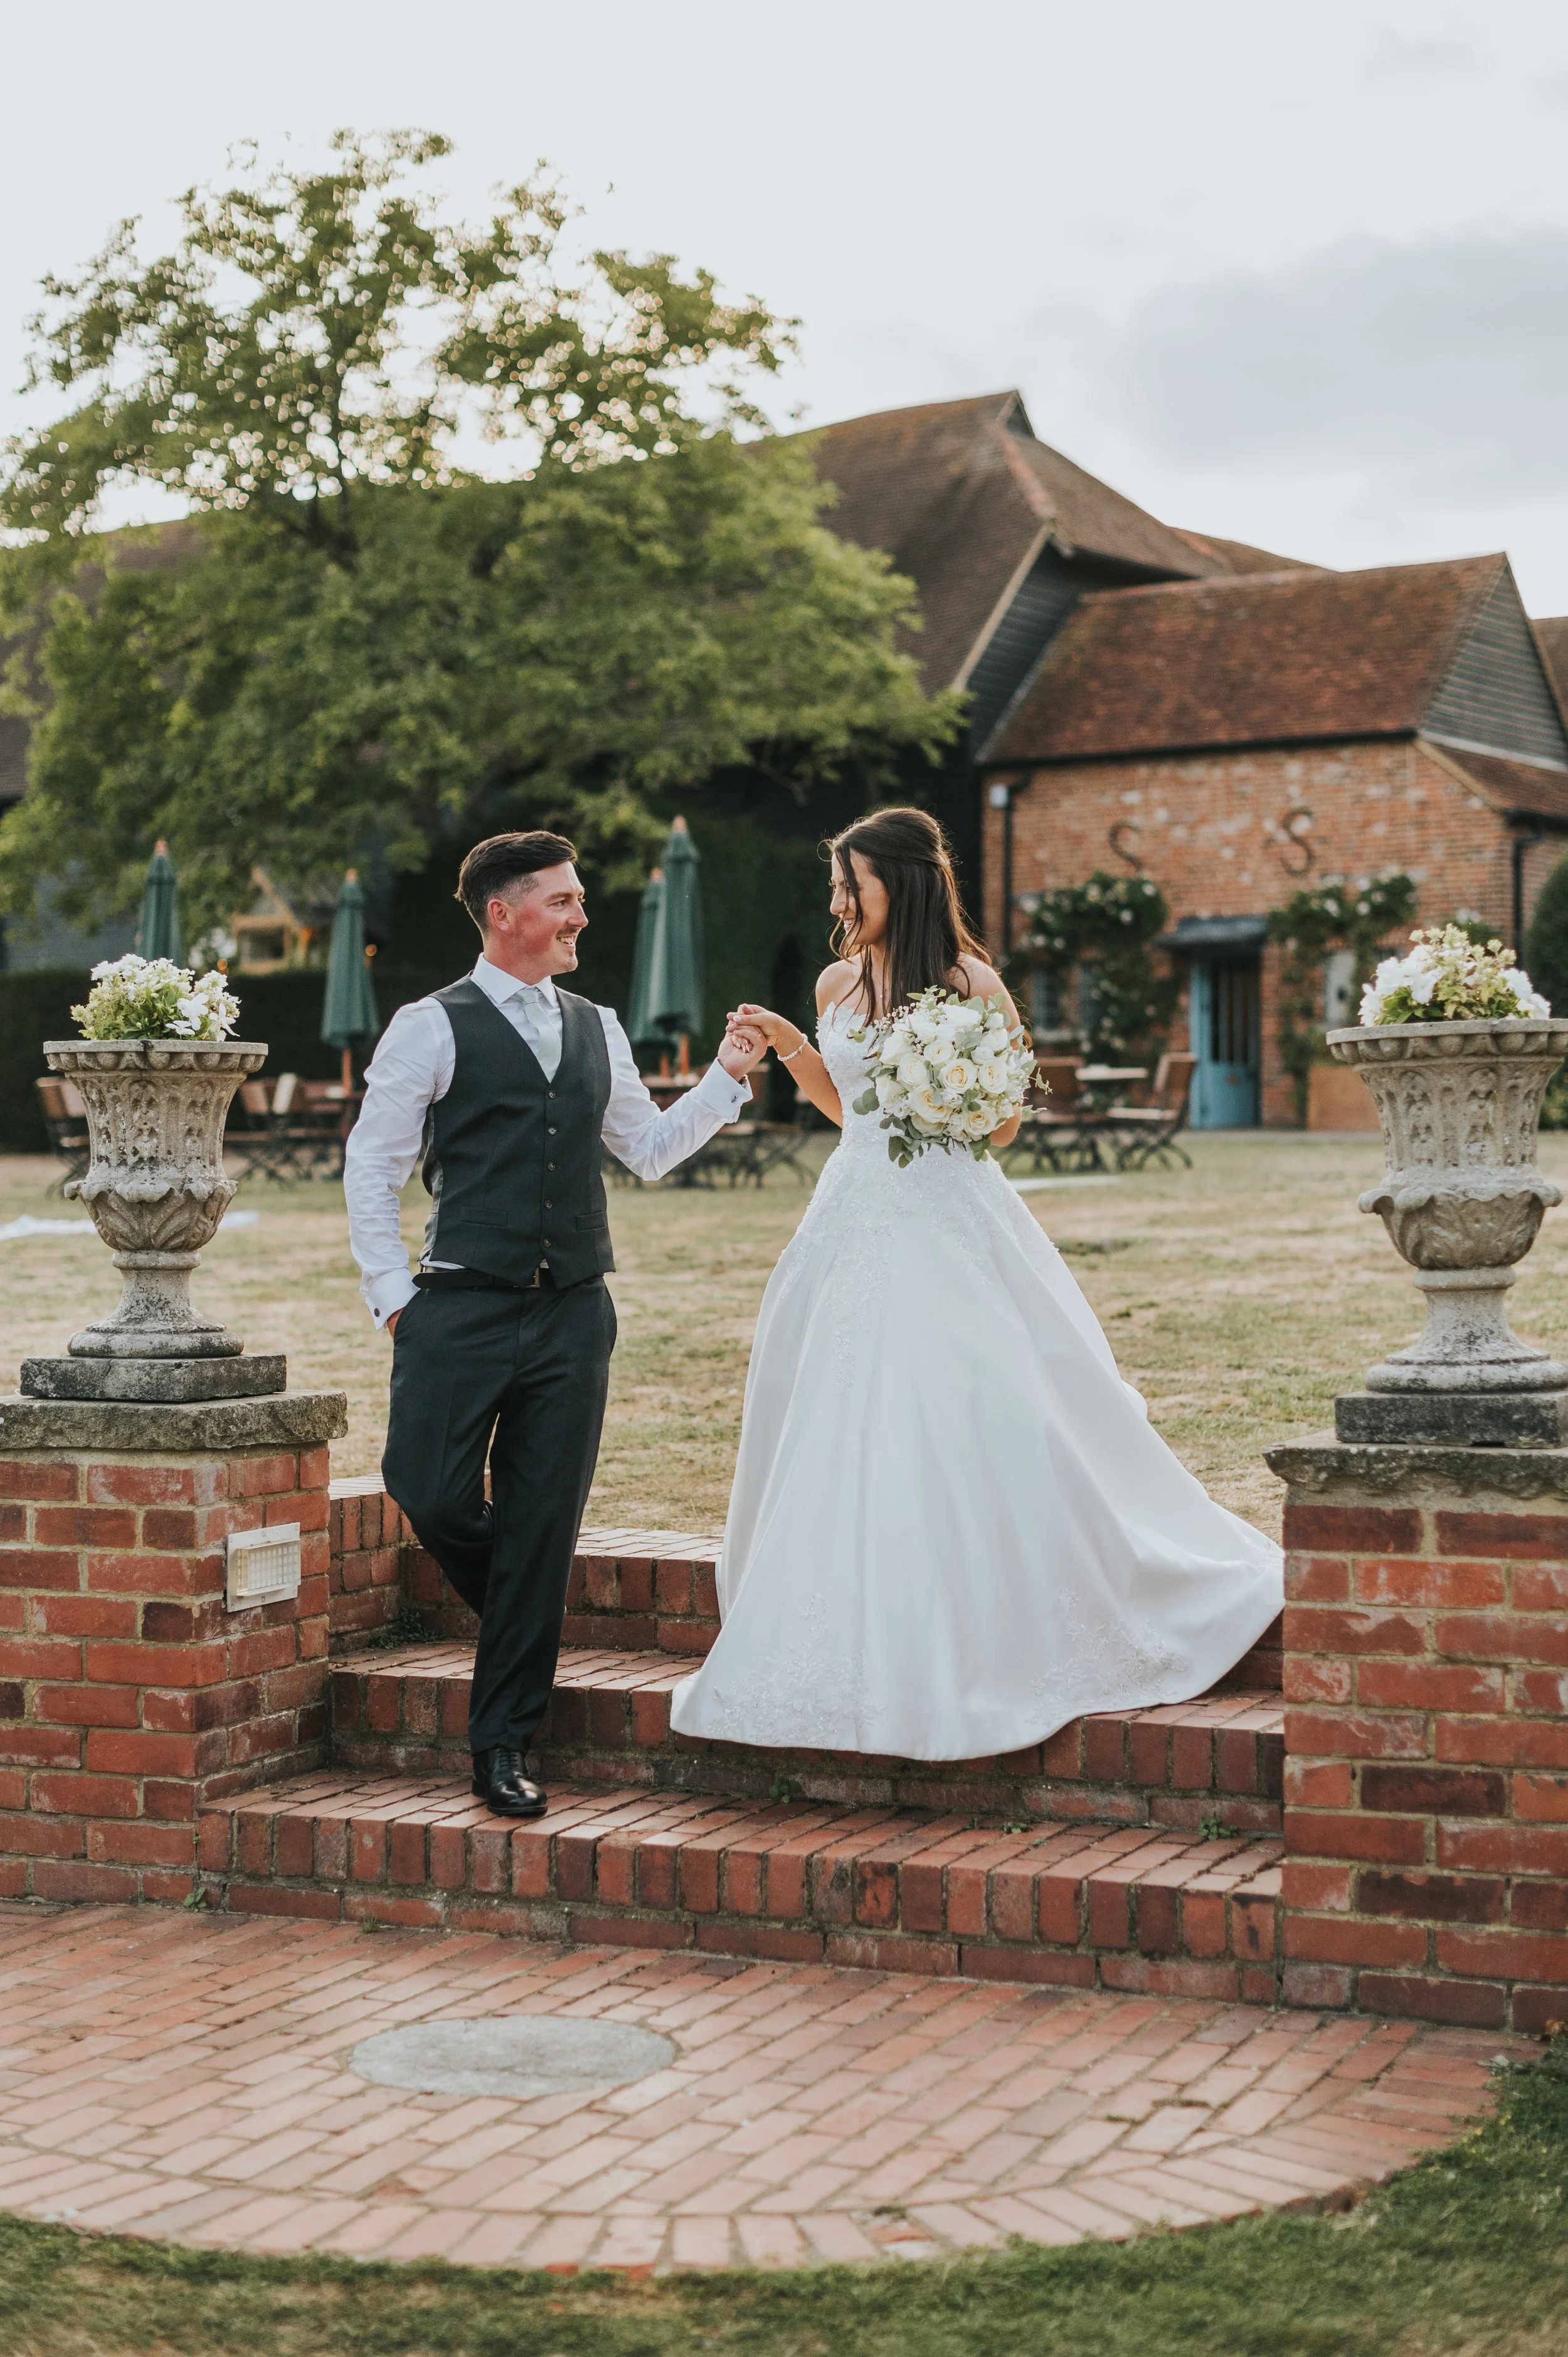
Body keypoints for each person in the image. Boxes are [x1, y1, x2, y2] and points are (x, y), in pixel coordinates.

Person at [671, 807, 1283, 1760]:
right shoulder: (838, 980)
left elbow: (1001, 1129)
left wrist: (948, 1091)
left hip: (950, 1215)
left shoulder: (973, 984)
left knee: (971, 1396)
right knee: (837, 1403)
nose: (837, 901)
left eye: (853, 884)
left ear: (902, 885)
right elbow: (849, 1113)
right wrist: (797, 1044)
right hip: (852, 1216)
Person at [344, 831, 765, 1819]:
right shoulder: (429, 1025)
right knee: (427, 1490)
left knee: (540, 1524)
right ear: (505, 912)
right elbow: (373, 1169)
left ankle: (503, 1748)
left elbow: (650, 1149)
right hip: (457, 1307)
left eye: (579, 900)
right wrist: (394, 1295)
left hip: (575, 1312)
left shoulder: (597, 1024)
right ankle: (529, 1610)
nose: (582, 916)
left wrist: (728, 1075)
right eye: (565, 901)